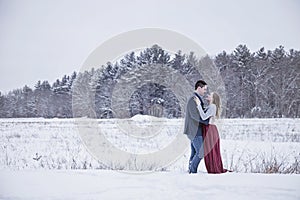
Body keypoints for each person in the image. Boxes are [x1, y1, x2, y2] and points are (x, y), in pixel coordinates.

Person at [194, 92, 229, 173]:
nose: (208, 95)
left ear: (213, 99)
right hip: (210, 129)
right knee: (211, 150)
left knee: (210, 150)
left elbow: (204, 116)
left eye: (211, 95)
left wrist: (198, 105)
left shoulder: (213, 106)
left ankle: (213, 168)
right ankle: (213, 167)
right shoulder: (211, 106)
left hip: (210, 129)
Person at [183, 80, 209, 173]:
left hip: (195, 129)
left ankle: (190, 170)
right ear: (199, 88)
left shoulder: (196, 98)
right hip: (194, 130)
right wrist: (206, 121)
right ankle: (192, 171)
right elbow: (194, 115)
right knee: (201, 152)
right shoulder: (193, 99)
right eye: (204, 89)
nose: (205, 91)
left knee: (194, 152)